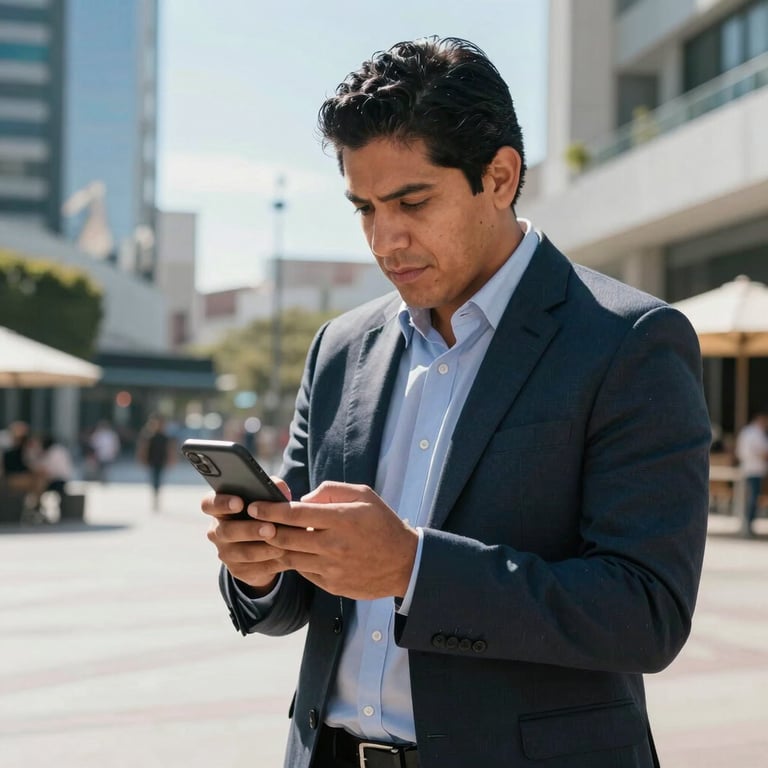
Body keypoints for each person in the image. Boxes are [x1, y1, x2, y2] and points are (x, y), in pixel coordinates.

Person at [201, 37, 711, 768]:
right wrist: (259, 567)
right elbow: (301, 601)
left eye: (412, 201)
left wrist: (415, 569)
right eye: (364, 208)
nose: (385, 239)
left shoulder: (628, 341)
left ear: (500, 176)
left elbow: (647, 612)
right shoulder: (341, 348)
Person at [735, 408, 768, 537]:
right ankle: (748, 524)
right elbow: (761, 452)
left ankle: (748, 524)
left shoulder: (747, 432)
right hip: (754, 469)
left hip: (750, 469)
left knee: (750, 498)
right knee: (752, 498)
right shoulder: (754, 433)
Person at [136, 414, 176, 510]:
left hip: (161, 461)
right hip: (152, 461)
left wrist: (171, 460)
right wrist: (142, 459)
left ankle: (156, 494)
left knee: (158, 479)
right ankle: (155, 494)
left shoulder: (165, 437)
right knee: (154, 479)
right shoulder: (149, 436)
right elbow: (143, 449)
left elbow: (170, 449)